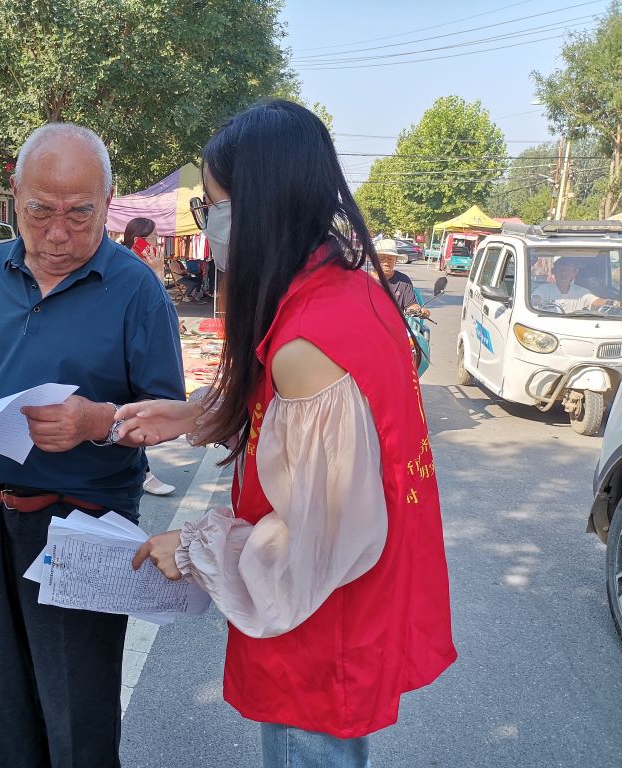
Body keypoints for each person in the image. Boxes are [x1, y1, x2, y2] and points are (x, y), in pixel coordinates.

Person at [115, 100, 457, 768]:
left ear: (264, 205)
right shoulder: (348, 291)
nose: (209, 223)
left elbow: (318, 537)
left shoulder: (308, 341)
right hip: (345, 601)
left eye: (214, 204)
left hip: (320, 623)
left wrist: (193, 548)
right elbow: (299, 430)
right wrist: (195, 412)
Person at [0, 123, 185, 768]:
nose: (58, 234)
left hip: (85, 524)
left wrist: (97, 421)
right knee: (5, 695)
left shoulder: (136, 289)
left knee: (78, 711)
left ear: (108, 203)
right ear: (14, 194)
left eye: (80, 214)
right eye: (39, 211)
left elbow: (167, 415)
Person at [123, 217, 178, 497]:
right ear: (139, 240)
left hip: (140, 350)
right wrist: (156, 272)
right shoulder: (132, 267)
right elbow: (156, 308)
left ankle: (143, 470)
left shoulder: (135, 264)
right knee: (135, 408)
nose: (157, 244)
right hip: (132, 352)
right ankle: (143, 472)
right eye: (153, 239)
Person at [532, 256, 621, 313]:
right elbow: (535, 299)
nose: (564, 274)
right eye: (561, 270)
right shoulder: (544, 289)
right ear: (553, 271)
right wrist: (538, 301)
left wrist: (613, 303)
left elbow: (595, 302)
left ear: (574, 273)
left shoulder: (582, 292)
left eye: (567, 270)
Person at [375, 238, 427, 316]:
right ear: (374, 260)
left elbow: (411, 305)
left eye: (390, 259)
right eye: (382, 259)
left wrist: (418, 310)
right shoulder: (365, 280)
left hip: (394, 322)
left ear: (395, 261)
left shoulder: (403, 280)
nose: (386, 263)